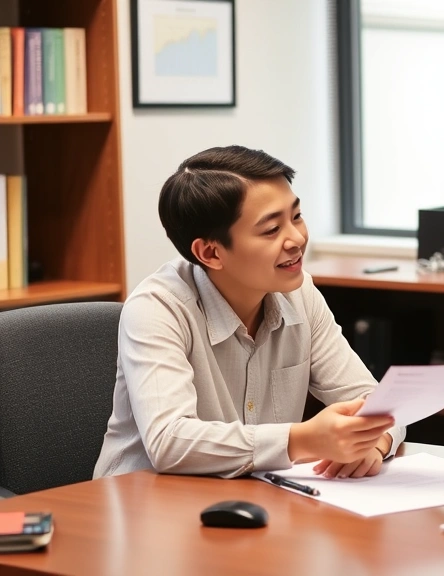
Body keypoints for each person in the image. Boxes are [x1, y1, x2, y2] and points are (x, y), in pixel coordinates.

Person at [94, 146, 405, 480]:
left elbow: (373, 400)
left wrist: (375, 442)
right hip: (144, 507)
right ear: (211, 252)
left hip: (253, 500)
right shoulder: (157, 308)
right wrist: (302, 439)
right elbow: (170, 441)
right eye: (272, 230)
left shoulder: (301, 295)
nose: (297, 239)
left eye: (296, 216)